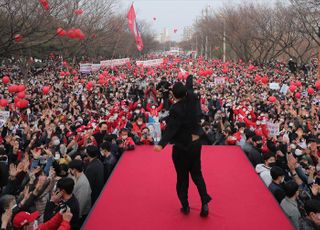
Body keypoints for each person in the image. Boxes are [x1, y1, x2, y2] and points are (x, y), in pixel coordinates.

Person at [154, 75, 212, 217]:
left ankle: (185, 206)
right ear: (185, 92)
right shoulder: (192, 98)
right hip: (195, 144)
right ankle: (204, 202)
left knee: (182, 178)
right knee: (197, 174)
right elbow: (190, 88)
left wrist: (161, 144)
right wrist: (190, 76)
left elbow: (171, 129)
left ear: (173, 95)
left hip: (182, 147)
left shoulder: (175, 109)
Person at [68, 160, 91, 224]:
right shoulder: (76, 177)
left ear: (74, 170)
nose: (70, 171)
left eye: (70, 169)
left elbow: (81, 202)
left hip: (81, 214)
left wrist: (75, 218)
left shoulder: (83, 183)